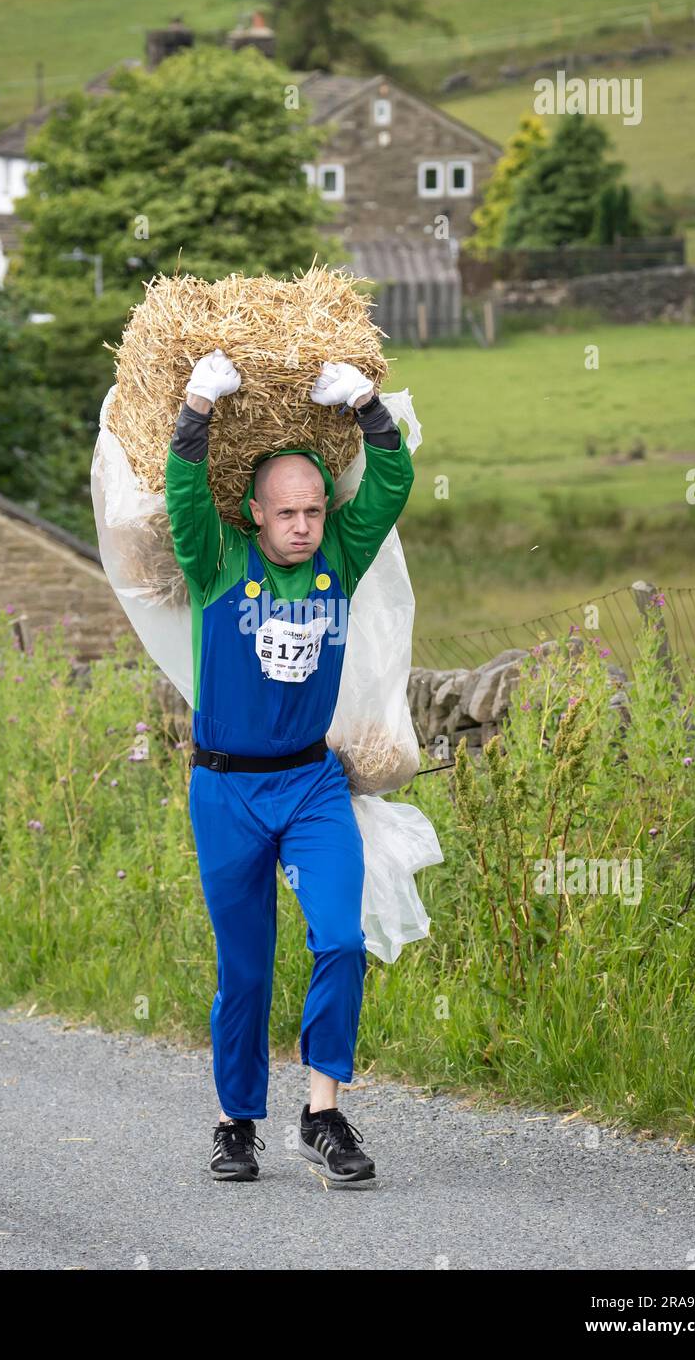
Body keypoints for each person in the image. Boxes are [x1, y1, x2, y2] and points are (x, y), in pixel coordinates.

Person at [165, 348, 414, 1185]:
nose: (303, 524)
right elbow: (181, 493)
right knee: (244, 969)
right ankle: (236, 1123)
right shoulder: (217, 564)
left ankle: (324, 1113)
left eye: (312, 509)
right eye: (287, 513)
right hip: (226, 789)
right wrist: (199, 406)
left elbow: (389, 484)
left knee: (341, 938)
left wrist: (368, 410)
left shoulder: (339, 558)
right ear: (255, 515)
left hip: (311, 784)